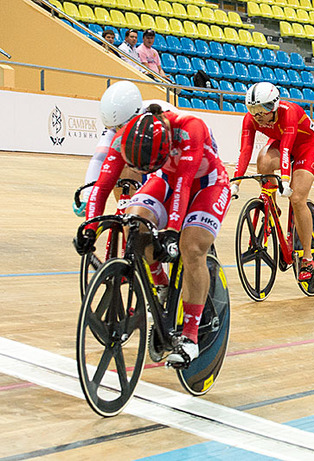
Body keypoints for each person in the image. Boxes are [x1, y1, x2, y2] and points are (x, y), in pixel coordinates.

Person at [74, 103, 231, 367]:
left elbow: (183, 183)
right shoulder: (126, 135)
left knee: (191, 247)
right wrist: (90, 227)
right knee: (132, 224)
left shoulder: (190, 127)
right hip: (167, 179)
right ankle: (161, 284)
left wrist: (171, 231)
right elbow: (102, 186)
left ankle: (190, 338)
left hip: (207, 185)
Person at [232, 82, 314, 281]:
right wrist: (235, 183)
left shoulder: (288, 112)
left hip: (306, 146)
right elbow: (245, 151)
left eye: (262, 109)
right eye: (252, 109)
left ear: (274, 105)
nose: (258, 115)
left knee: (297, 199)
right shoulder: (251, 119)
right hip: (282, 143)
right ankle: (271, 205)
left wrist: (287, 182)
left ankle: (307, 257)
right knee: (263, 161)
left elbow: (288, 150)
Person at [74, 80, 176, 216]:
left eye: (120, 126)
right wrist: (88, 198)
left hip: (171, 156)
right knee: (121, 168)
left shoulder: (162, 115)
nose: (118, 130)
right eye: (114, 127)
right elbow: (99, 159)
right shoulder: (118, 122)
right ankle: (127, 213)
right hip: (147, 158)